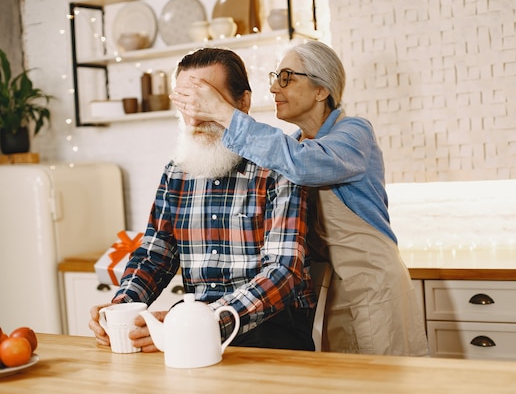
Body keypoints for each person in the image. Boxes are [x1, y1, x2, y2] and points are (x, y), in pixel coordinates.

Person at [170, 41, 428, 356]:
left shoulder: (354, 134)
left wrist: (221, 111)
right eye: (275, 77)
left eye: (287, 78)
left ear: (322, 90)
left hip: (372, 283)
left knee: (387, 392)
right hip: (331, 291)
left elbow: (303, 164)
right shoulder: (294, 144)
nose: (274, 87)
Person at [89, 47, 316, 352]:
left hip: (269, 330)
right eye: (186, 102)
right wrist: (120, 307)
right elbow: (156, 254)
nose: (194, 115)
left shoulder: (278, 163)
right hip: (192, 326)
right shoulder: (177, 171)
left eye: (206, 101)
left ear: (243, 102)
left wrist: (204, 322)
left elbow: (282, 271)